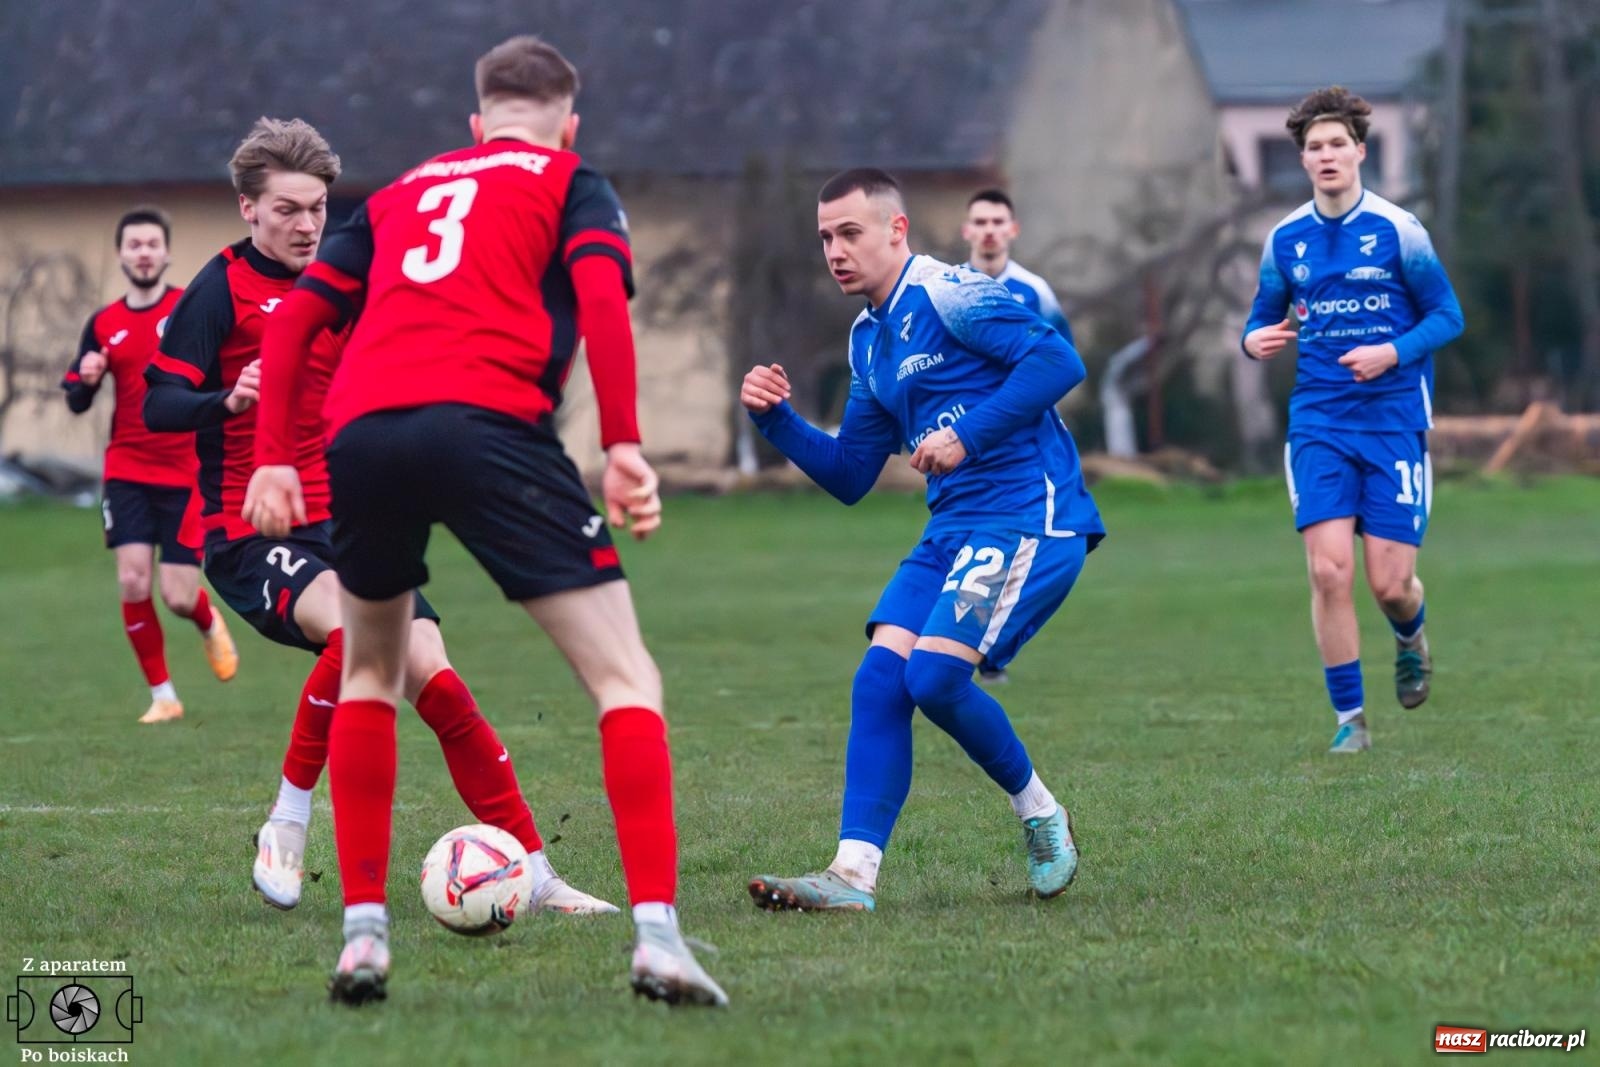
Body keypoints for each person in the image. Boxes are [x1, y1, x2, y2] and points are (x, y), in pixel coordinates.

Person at [243, 37, 726, 1007]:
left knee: (370, 669)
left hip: (365, 433)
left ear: (475, 122)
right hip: (491, 424)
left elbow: (295, 322)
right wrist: (625, 444)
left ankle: (364, 937)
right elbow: (598, 297)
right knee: (625, 675)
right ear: (567, 122)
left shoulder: (400, 192)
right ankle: (659, 939)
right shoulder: (568, 178)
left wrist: (271, 458)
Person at [144, 116, 613, 936]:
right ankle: (287, 823)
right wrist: (229, 398)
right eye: (287, 208)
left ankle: (536, 870)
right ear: (248, 208)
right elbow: (157, 401)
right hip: (254, 534)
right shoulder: (218, 290)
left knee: (435, 674)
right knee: (358, 639)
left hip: (353, 522)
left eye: (317, 207)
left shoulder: (346, 281)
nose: (306, 224)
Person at [740, 168, 1102, 913]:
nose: (835, 251)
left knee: (932, 678)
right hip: (954, 529)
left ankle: (1040, 812)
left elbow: (1059, 361)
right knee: (879, 680)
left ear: (896, 230)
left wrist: (964, 435)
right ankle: (851, 876)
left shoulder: (949, 292)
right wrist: (777, 421)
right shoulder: (869, 339)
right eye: (824, 239)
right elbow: (850, 473)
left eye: (850, 233)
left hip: (1028, 515)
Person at [1241, 86, 1463, 754]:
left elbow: (1447, 316)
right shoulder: (1285, 239)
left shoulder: (1400, 230)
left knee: (1389, 583)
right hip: (1319, 422)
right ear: (1304, 160)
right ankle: (1350, 721)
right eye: (1315, 146)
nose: (1328, 154)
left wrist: (1393, 351)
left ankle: (1410, 633)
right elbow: (1260, 316)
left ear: (1360, 152)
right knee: (1329, 571)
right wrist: (1253, 340)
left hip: (1394, 421)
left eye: (1339, 143)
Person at [62, 206, 238, 722]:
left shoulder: (189, 309)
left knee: (177, 596)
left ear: (165, 253)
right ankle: (164, 697)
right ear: (121, 255)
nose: (143, 252)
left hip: (186, 472)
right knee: (134, 582)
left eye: (151, 244)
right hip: (127, 471)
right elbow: (74, 398)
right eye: (133, 244)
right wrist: (85, 379)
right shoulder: (103, 324)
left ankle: (206, 620)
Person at [963, 188, 1073, 343]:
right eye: (980, 222)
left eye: (998, 222)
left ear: (1013, 229)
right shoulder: (948, 288)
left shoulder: (1036, 290)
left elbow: (1063, 355)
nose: (989, 230)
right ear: (966, 231)